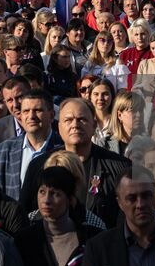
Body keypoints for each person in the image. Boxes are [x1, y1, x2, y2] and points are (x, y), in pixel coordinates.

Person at [21, 97, 129, 228]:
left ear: (94, 125)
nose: (75, 125)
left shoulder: (120, 168)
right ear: (59, 127)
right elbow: (25, 212)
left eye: (82, 120)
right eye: (68, 120)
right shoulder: (39, 166)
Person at [15, 166, 103, 266]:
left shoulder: (92, 239)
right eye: (42, 192)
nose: (46, 200)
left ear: (70, 199)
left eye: (55, 193)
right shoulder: (24, 240)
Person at [0, 88, 62, 201]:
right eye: (26, 111)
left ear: (51, 115)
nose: (31, 116)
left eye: (38, 110)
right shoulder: (2, 151)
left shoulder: (63, 149)